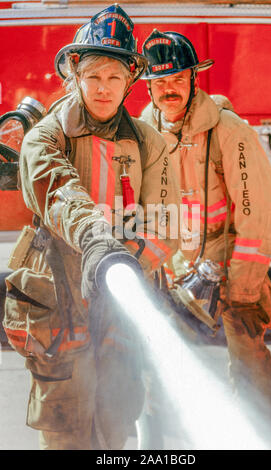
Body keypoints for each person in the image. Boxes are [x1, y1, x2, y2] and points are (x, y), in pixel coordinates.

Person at [2, 7, 179, 450]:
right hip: (59, 297)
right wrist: (98, 242)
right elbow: (59, 190)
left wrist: (127, 266)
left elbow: (167, 220)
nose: (104, 88)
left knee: (116, 422)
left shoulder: (148, 142)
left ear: (129, 82)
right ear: (75, 74)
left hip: (122, 296)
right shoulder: (45, 137)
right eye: (95, 76)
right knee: (67, 428)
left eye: (115, 78)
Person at [139, 29, 271, 449]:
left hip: (231, 263)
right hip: (174, 268)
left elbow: (259, 211)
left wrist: (242, 287)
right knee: (154, 367)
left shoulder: (229, 131)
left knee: (250, 365)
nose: (169, 88)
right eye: (160, 81)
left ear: (193, 80)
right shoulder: (143, 133)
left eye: (178, 79)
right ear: (148, 85)